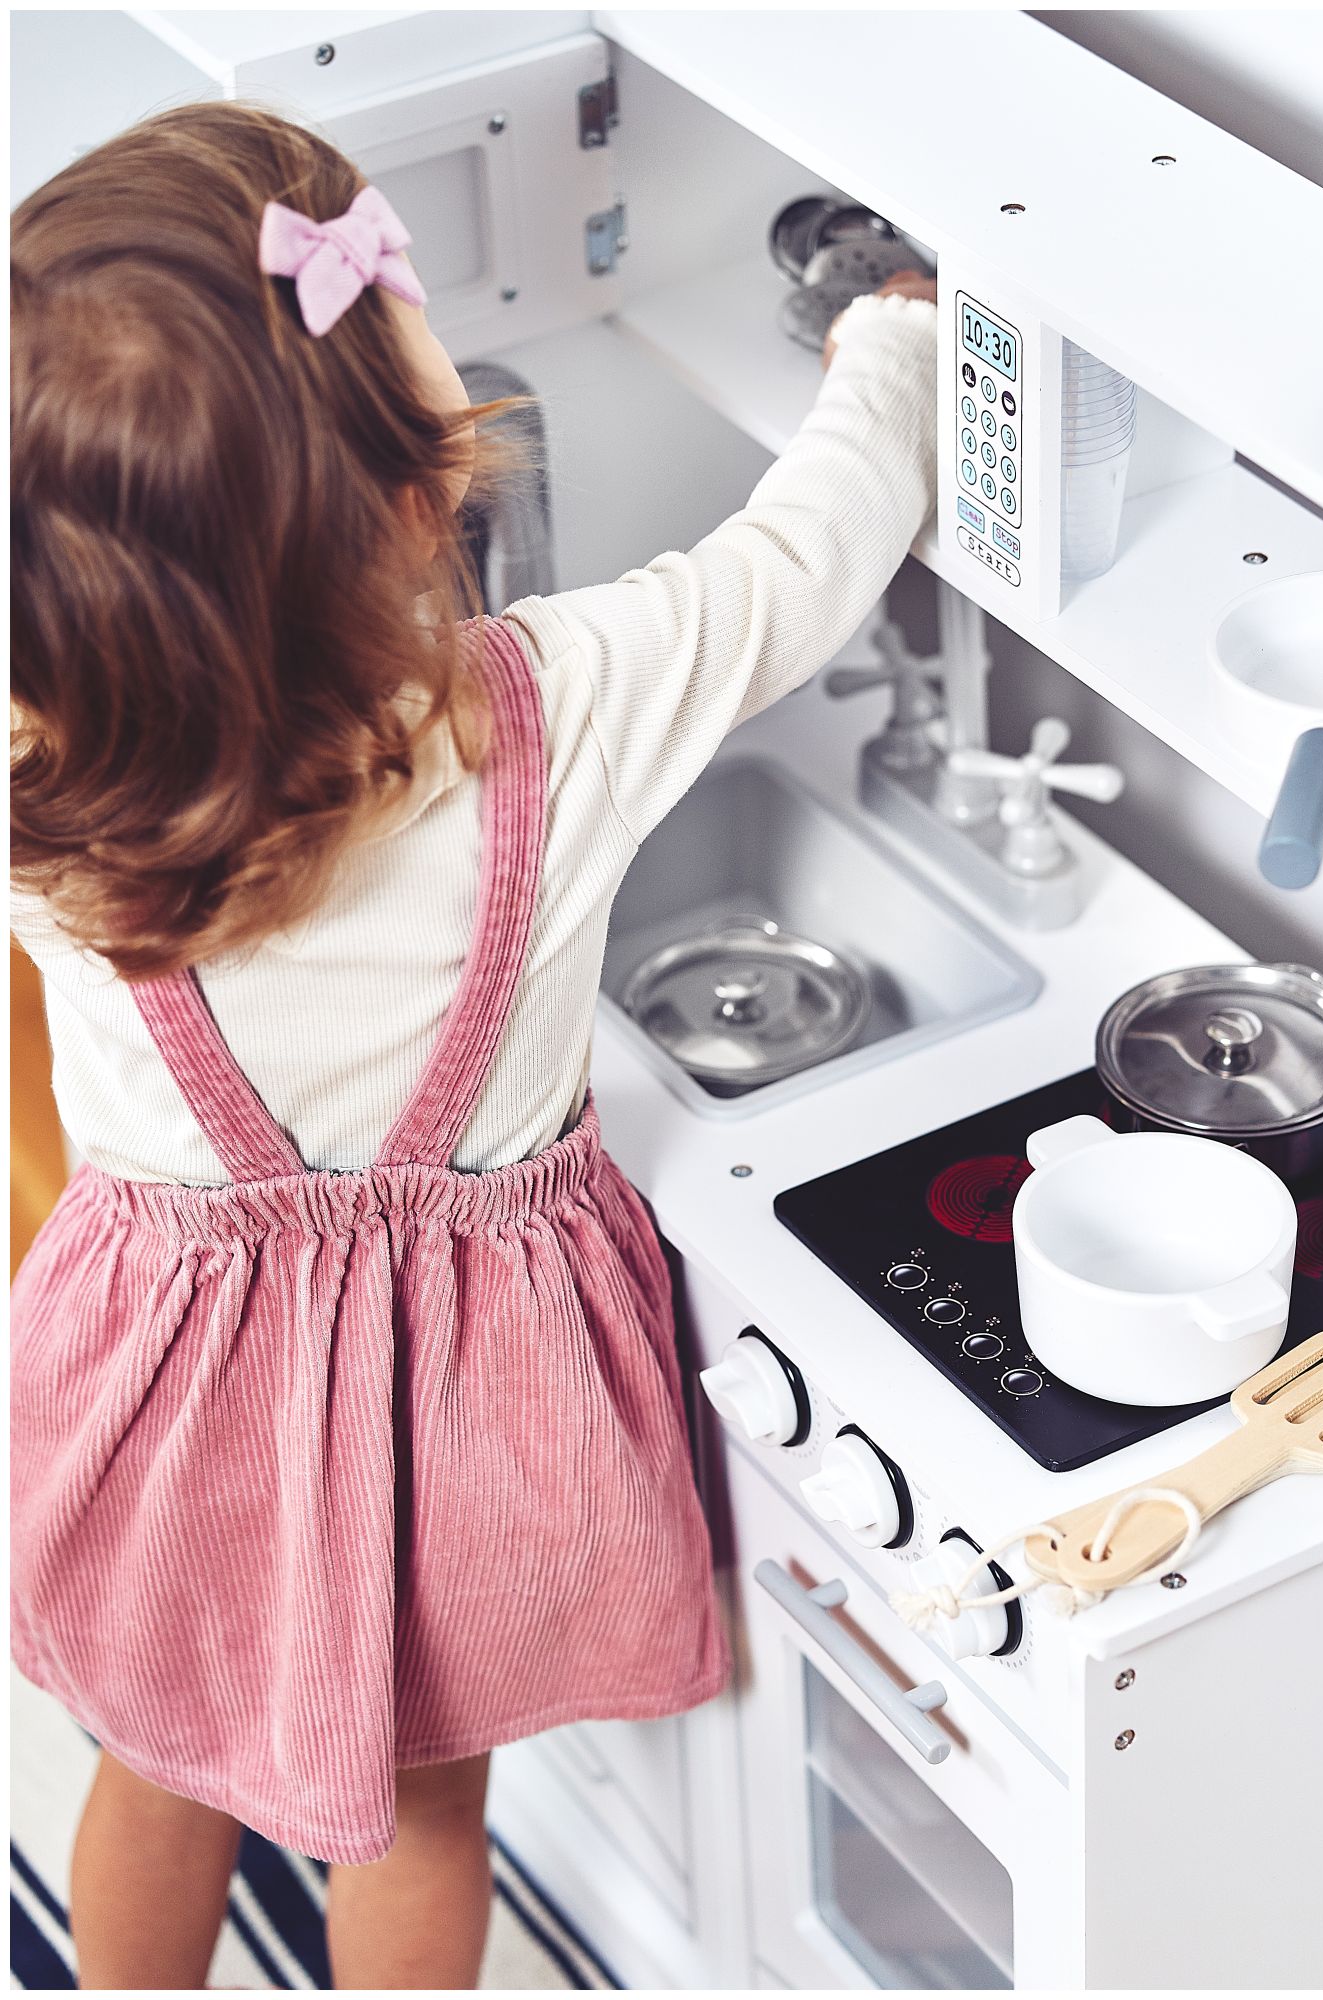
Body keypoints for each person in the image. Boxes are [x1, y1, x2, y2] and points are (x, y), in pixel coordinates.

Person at [10, 101, 937, 1991]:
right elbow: (817, 543)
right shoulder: (557, 709)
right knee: (430, 1813)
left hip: (164, 1391)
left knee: (156, 1767)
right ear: (421, 474)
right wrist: (897, 333)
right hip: (467, 1395)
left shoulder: (39, 766)